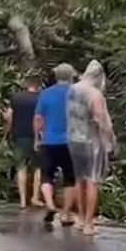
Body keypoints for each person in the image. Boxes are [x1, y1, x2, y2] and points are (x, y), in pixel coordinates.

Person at [67, 60, 115, 236]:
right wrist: (109, 138)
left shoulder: (72, 90)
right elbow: (100, 120)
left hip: (73, 139)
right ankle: (88, 223)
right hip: (91, 141)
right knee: (92, 181)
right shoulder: (95, 94)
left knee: (79, 179)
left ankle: (79, 219)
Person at [34, 63, 77, 226]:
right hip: (71, 142)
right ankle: (66, 214)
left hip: (49, 141)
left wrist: (37, 139)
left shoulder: (45, 94)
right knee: (70, 179)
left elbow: (38, 119)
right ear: (72, 76)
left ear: (56, 76)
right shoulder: (77, 94)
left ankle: (50, 205)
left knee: (46, 175)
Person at [3, 77, 43, 208]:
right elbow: (41, 118)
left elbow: (8, 116)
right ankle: (35, 197)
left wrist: (7, 132)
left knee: (21, 167)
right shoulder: (41, 99)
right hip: (36, 137)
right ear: (37, 87)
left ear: (25, 85)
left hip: (19, 136)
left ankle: (22, 201)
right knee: (38, 168)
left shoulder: (16, 98)